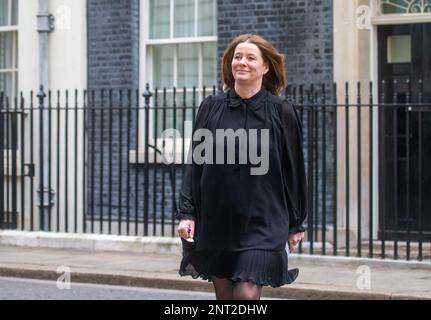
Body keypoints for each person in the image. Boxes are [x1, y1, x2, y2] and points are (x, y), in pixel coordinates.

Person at [176, 34, 307, 300]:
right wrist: (188, 213)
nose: (242, 62)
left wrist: (296, 223)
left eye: (250, 57)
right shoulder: (211, 108)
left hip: (263, 221)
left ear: (265, 66)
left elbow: (294, 170)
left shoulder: (281, 111)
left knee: (246, 294)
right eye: (237, 56)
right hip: (217, 220)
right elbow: (196, 165)